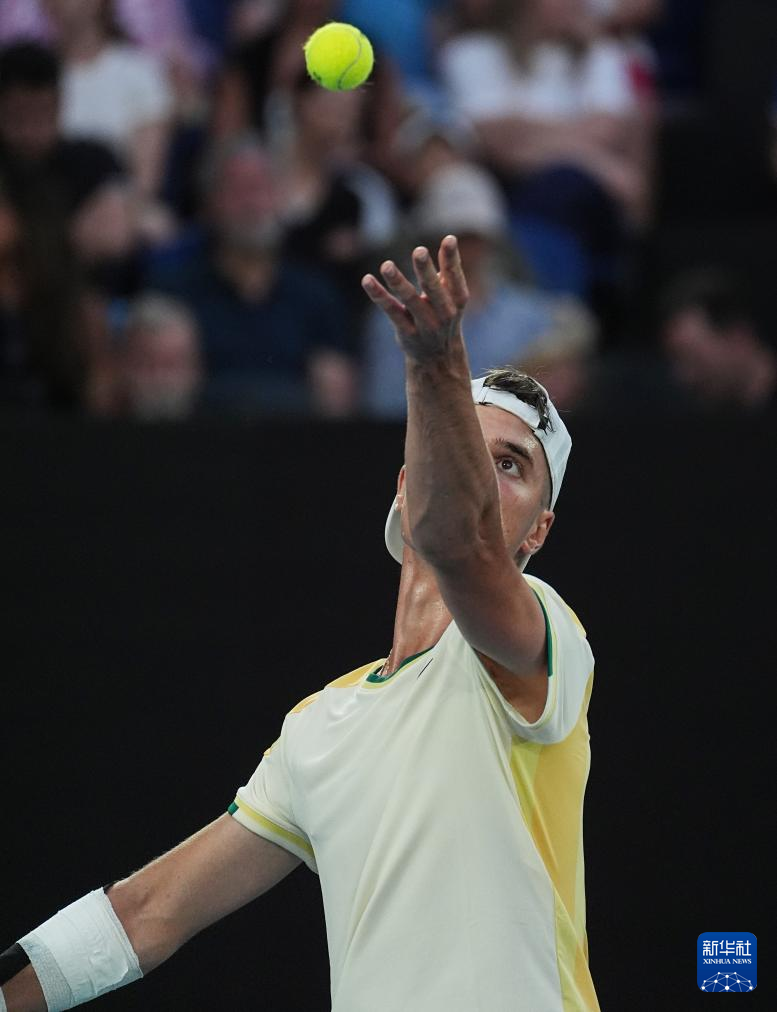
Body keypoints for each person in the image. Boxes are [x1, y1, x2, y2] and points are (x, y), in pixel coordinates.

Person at [0, 236, 599, 1012]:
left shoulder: (546, 638)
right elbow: (143, 916)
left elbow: (459, 542)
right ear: (404, 483)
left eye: (511, 464)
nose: (479, 473)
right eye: (463, 448)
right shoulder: (318, 728)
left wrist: (436, 368)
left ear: (537, 533)